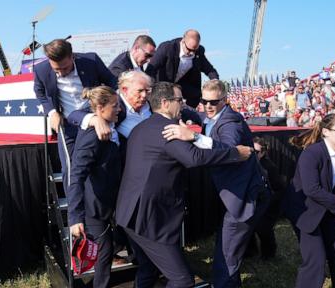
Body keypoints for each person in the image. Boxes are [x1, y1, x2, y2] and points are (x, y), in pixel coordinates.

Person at [115, 82, 253, 288]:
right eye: (179, 100)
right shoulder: (168, 130)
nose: (184, 104)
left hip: (130, 214)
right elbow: (195, 158)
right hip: (148, 219)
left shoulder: (141, 128)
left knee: (148, 269)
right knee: (182, 280)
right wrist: (236, 153)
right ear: (165, 103)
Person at [162, 79, 269, 287]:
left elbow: (228, 149)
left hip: (245, 197)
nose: (208, 106)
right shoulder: (210, 115)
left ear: (225, 100)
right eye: (204, 101)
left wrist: (193, 135)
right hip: (236, 194)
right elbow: (199, 115)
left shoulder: (231, 122)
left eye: (214, 102)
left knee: (225, 256)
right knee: (229, 249)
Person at [34, 39, 117, 190]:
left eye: (65, 68)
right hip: (68, 124)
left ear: (72, 56)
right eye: (56, 70)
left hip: (96, 120)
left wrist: (109, 107)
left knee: (100, 163)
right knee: (70, 169)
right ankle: (75, 207)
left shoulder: (91, 61)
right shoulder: (41, 70)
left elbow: (112, 82)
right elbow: (39, 92)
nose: (61, 74)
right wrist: (52, 112)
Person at [284, 113, 335, 288]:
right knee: (316, 261)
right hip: (303, 211)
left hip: (325, 208)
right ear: (325, 132)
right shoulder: (311, 154)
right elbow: (311, 189)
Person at [68, 86, 121, 288]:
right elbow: (77, 177)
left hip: (109, 204)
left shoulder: (110, 124)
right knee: (104, 254)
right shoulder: (92, 137)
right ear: (100, 108)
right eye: (115, 106)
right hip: (94, 209)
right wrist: (75, 217)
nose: (119, 110)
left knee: (113, 246)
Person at [145, 29, 219, 108]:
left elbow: (209, 69)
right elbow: (151, 68)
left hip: (181, 84)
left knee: (196, 94)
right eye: (189, 49)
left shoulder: (199, 52)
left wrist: (215, 82)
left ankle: (188, 113)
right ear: (183, 41)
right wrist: (150, 87)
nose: (191, 53)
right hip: (164, 83)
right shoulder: (167, 48)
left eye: (194, 50)